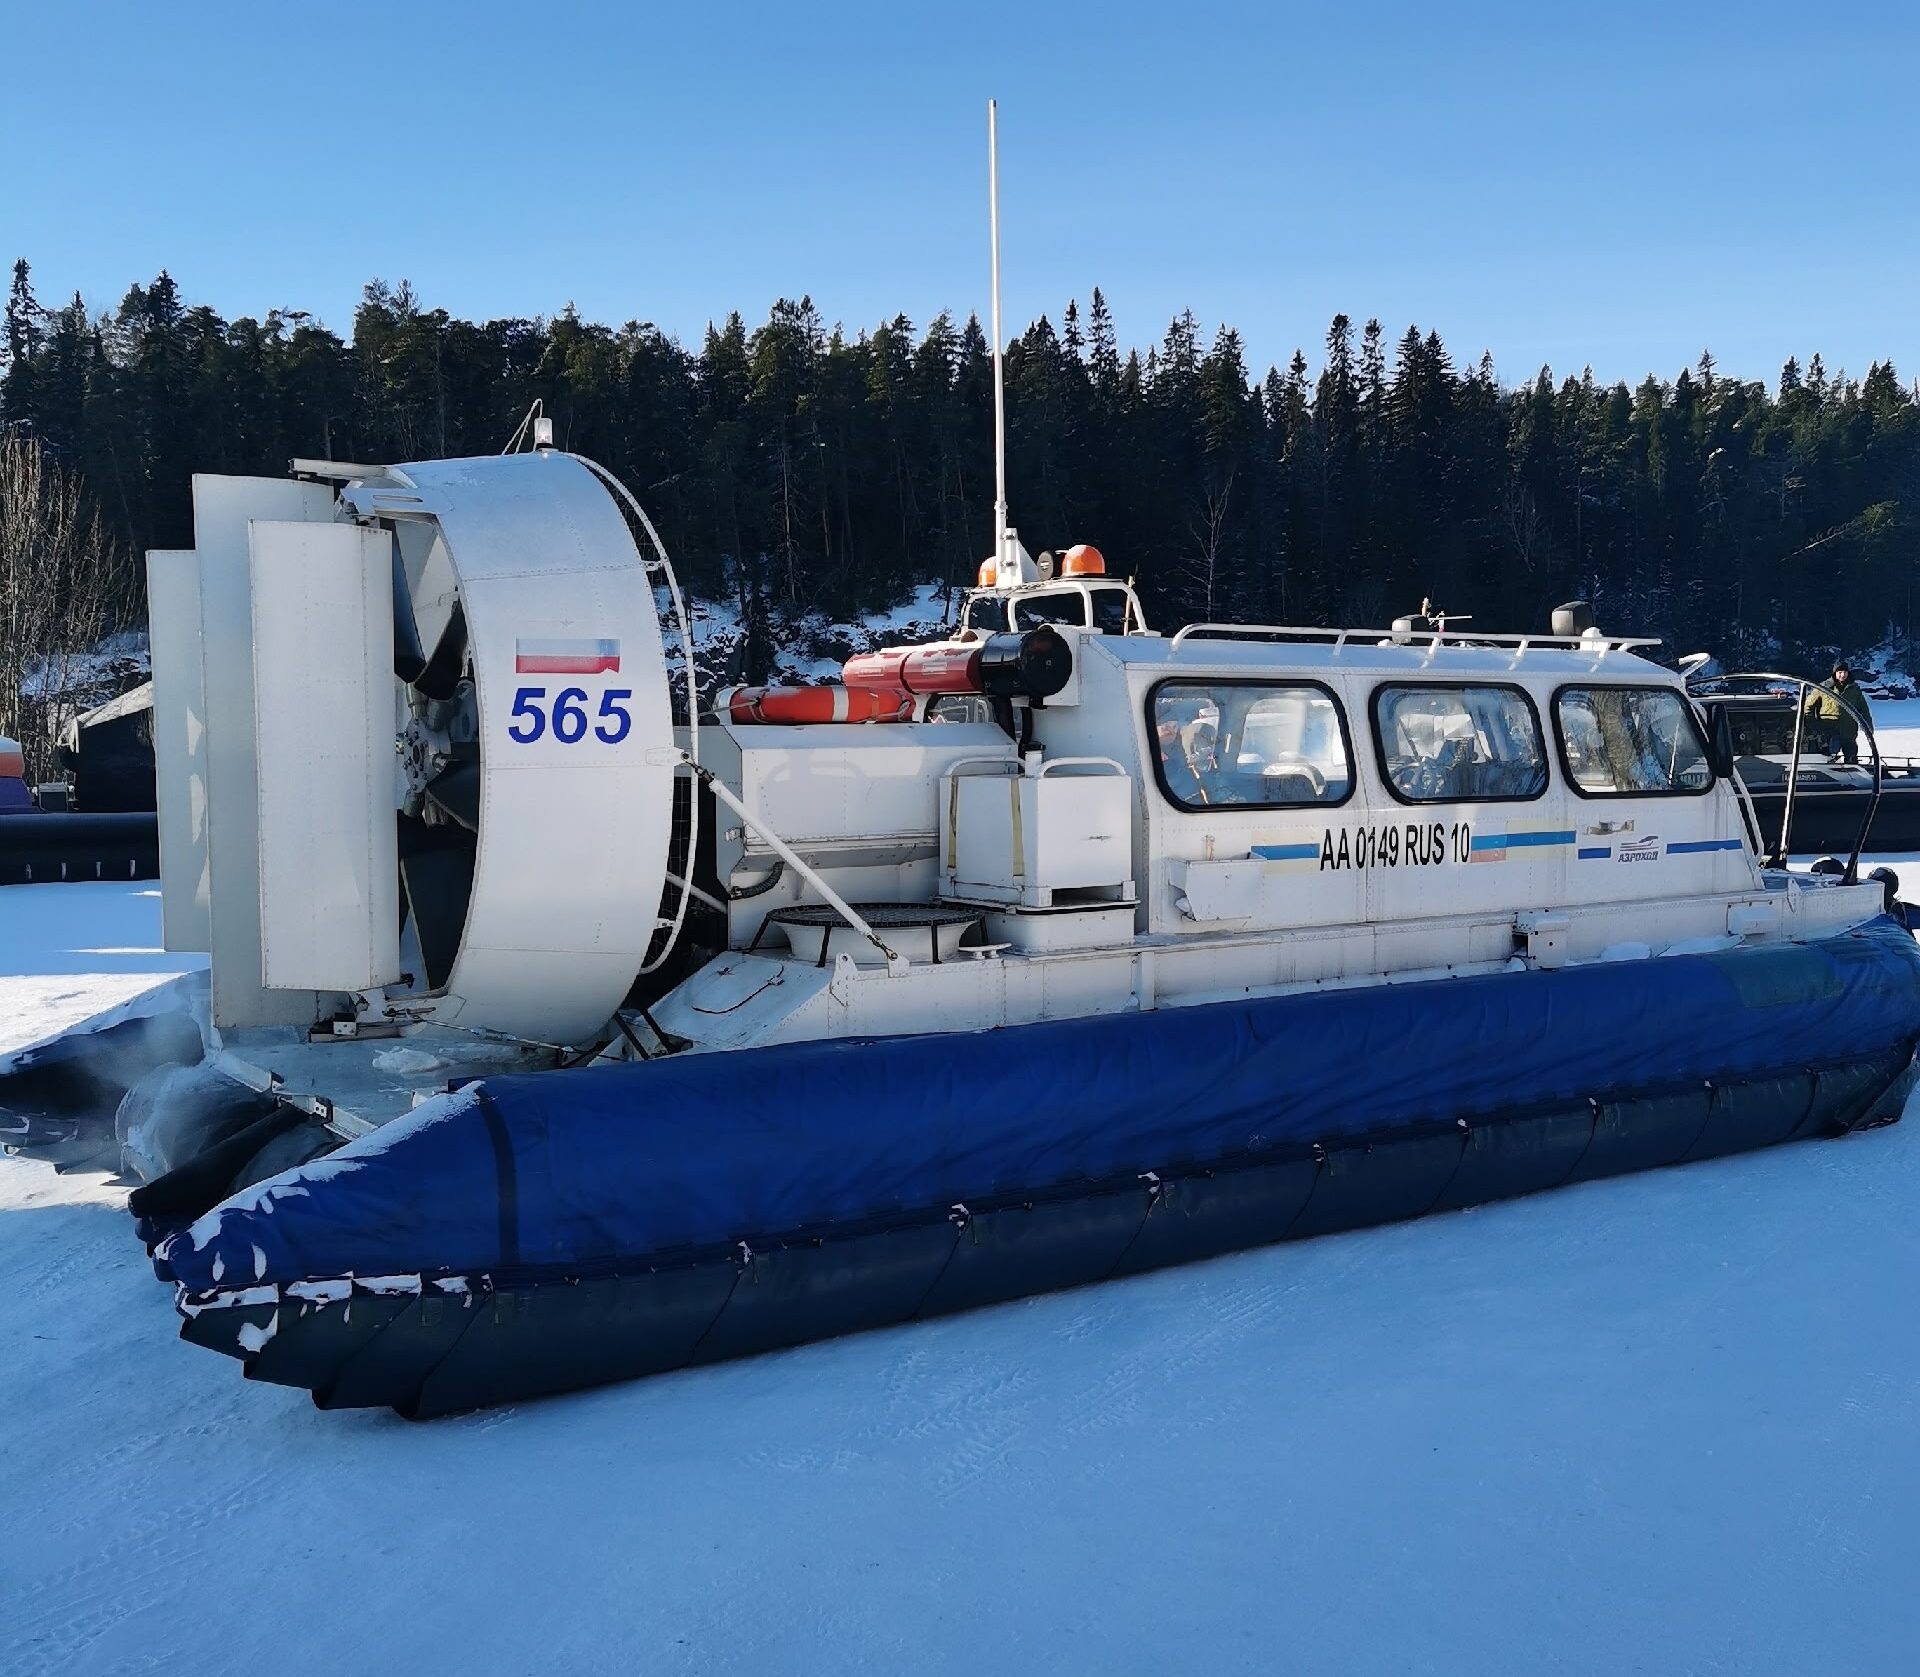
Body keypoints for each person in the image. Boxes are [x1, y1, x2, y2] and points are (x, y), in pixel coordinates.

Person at [1800, 661, 1873, 764]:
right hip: (1828, 733)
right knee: (1827, 761)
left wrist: (1868, 728)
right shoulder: (1824, 687)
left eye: (1845, 672)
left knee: (1852, 761)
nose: (1842, 675)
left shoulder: (1854, 689)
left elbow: (1863, 710)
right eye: (1839, 672)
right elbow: (1807, 707)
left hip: (1849, 732)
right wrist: (1814, 725)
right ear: (1834, 673)